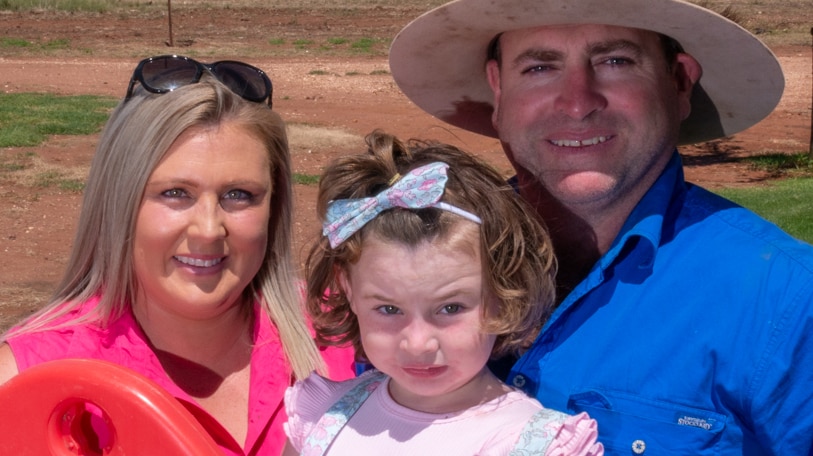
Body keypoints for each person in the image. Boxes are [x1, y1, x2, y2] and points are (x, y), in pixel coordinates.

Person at [388, 1, 813, 454]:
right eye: (538, 67)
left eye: (615, 61)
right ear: (497, 89)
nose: (578, 102)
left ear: (680, 82)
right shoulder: (408, 257)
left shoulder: (786, 300)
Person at [0, 55, 354, 456]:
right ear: (119, 203)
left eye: (239, 195)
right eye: (175, 193)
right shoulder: (24, 386)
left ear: (275, 207)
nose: (208, 229)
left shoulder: (354, 329)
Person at [282, 130, 604, 455]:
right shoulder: (325, 417)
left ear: (502, 293)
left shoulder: (532, 443)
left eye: (450, 308)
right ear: (348, 288)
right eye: (389, 310)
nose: (419, 343)